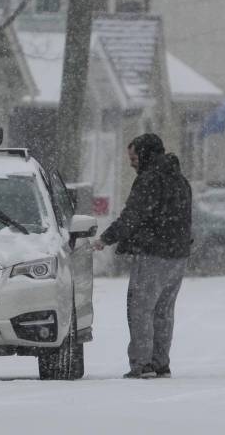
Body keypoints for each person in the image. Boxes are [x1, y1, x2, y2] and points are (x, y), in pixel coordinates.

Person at [91, 133, 192, 379]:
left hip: (152, 254)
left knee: (140, 309)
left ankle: (143, 364)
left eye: (134, 158)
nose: (131, 163)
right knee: (164, 311)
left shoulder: (149, 180)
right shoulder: (179, 180)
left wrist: (106, 238)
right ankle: (160, 363)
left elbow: (132, 216)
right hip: (178, 255)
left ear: (146, 154)